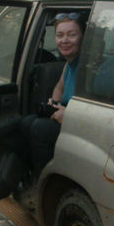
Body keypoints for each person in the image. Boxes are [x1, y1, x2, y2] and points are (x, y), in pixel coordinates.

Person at [22, 12, 84, 177]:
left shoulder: (87, 66)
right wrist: (53, 103)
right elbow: (59, 87)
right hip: (63, 113)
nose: (64, 40)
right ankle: (28, 176)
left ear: (82, 37)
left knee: (39, 129)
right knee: (26, 122)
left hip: (81, 122)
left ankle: (45, 180)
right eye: (60, 35)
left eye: (72, 35)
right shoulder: (68, 64)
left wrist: (68, 114)